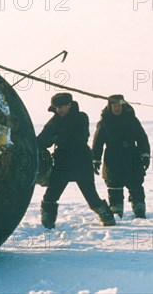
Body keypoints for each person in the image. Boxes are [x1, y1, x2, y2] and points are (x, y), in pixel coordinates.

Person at [37, 93, 115, 228]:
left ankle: (108, 219)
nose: (59, 110)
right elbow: (41, 140)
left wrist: (57, 138)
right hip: (62, 161)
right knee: (51, 195)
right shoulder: (54, 121)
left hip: (81, 160)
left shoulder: (81, 117)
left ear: (69, 105)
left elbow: (81, 136)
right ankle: (47, 223)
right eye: (56, 107)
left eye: (61, 106)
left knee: (91, 195)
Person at [92, 95, 151, 219]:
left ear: (123, 106)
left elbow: (141, 138)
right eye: (114, 106)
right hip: (113, 158)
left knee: (136, 185)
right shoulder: (104, 123)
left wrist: (145, 154)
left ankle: (139, 209)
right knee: (114, 186)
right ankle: (116, 210)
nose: (116, 108)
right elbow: (98, 143)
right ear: (110, 107)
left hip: (132, 155)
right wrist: (95, 159)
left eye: (118, 106)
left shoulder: (132, 120)